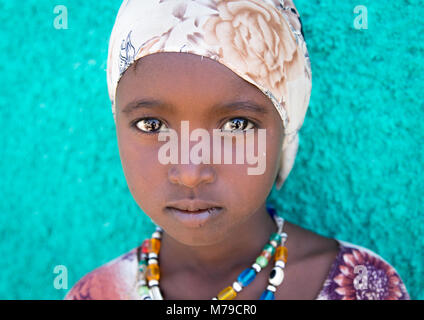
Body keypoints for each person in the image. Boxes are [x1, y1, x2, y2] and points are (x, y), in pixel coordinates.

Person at [65, 0, 410, 300]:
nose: (188, 171)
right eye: (152, 125)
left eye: (237, 125)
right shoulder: (95, 293)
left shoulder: (365, 286)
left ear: (285, 132)